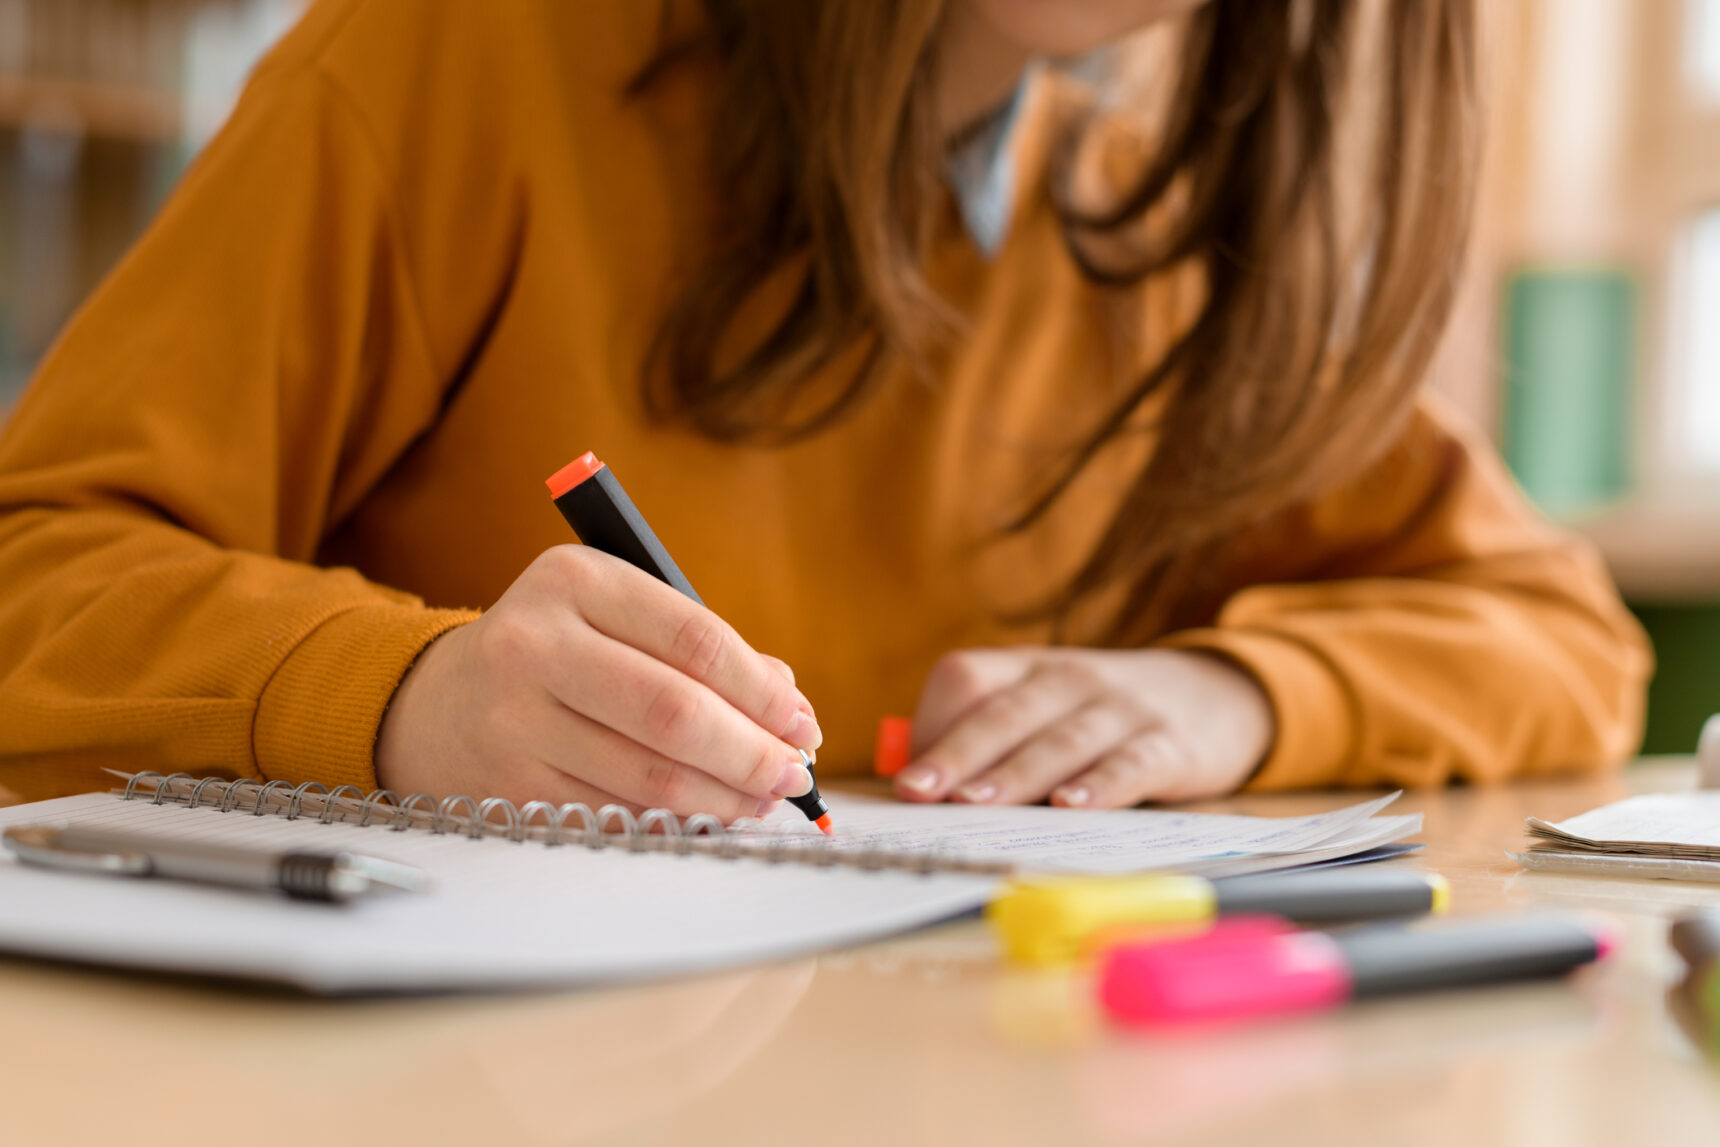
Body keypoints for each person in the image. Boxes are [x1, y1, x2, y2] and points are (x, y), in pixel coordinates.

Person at [0, 0, 1650, 819]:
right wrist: (403, 697)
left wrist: (1231, 697)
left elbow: (1562, 638)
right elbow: (36, 574)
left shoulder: (1161, 251)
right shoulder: (461, 58)